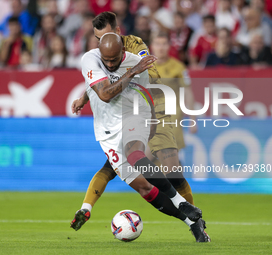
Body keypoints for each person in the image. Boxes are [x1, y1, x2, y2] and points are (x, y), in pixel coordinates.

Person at [73, 32, 209, 242]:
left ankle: (182, 202)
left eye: (114, 60)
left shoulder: (139, 61)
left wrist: (154, 117)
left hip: (135, 117)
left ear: (122, 52)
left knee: (148, 159)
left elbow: (145, 92)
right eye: (105, 59)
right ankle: (192, 221)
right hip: (107, 132)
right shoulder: (90, 59)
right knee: (144, 187)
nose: (109, 64)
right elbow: (103, 92)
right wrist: (83, 97)